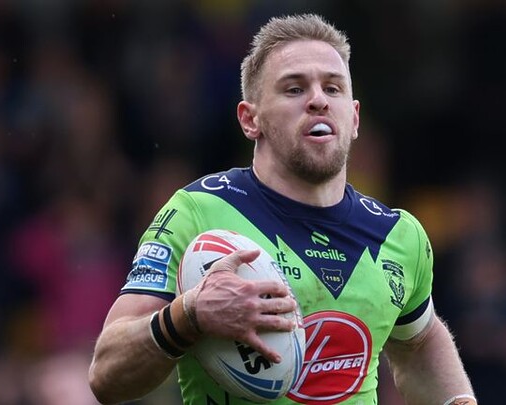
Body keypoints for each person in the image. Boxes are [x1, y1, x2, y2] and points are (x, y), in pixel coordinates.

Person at [89, 13, 476, 405]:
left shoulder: (398, 235)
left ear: (354, 118)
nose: (318, 100)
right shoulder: (198, 213)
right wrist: (188, 316)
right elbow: (106, 374)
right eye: (294, 89)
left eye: (333, 88)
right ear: (250, 119)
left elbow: (421, 339)